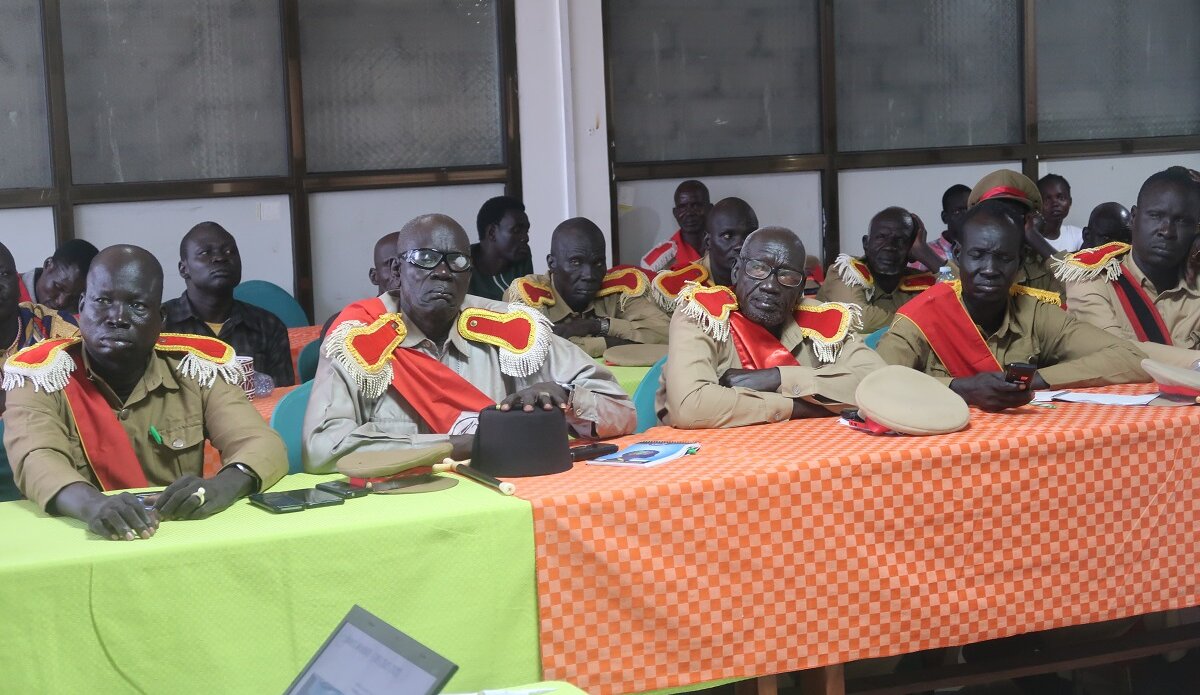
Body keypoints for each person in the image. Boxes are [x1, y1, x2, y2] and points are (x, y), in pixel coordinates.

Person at [303, 214, 636, 473]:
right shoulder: (360, 337)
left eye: (457, 261)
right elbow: (322, 448)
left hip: (508, 500)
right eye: (425, 258)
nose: (443, 272)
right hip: (401, 508)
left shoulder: (511, 328)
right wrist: (461, 444)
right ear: (396, 269)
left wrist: (565, 395)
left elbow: (622, 412)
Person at [2, 245, 286, 540]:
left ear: (161, 318)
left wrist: (222, 486)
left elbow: (262, 443)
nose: (117, 317)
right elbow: (36, 459)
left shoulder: (196, 369)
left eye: (137, 306)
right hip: (78, 539)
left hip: (174, 537)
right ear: (82, 305)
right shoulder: (40, 375)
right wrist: (94, 505)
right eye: (102, 301)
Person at [876, 200, 1149, 412]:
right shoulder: (923, 315)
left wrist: (1031, 381)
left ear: (1019, 264)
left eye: (1003, 258)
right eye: (978, 255)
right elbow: (876, 386)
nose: (990, 270)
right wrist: (960, 389)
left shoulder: (1034, 311)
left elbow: (1131, 357)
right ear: (958, 256)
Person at [658, 226, 885, 429]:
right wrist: (803, 408)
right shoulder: (703, 313)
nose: (769, 285)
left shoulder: (821, 318)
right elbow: (690, 406)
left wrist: (777, 378)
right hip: (717, 462)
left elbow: (880, 385)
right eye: (758, 268)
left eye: (787, 275)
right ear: (736, 271)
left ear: (800, 289)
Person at [1058, 167, 1200, 363]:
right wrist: (1195, 363)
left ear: (1196, 229)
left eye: (1182, 221)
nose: (1167, 231)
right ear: (1133, 218)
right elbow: (1115, 353)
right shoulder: (1092, 277)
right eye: (1156, 216)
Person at [503, 217, 668, 358]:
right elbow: (535, 349)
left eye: (598, 262)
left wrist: (596, 326)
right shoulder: (528, 293)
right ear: (552, 263)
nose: (589, 275)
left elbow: (667, 334)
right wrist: (610, 343)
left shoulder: (618, 292)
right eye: (576, 262)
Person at [162, 222, 295, 386]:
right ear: (184, 269)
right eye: (205, 252)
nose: (220, 258)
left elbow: (282, 401)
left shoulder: (268, 326)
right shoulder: (160, 324)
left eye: (229, 251)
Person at [818, 207, 935, 333]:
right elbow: (860, 319)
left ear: (912, 250)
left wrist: (927, 253)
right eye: (881, 237)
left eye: (901, 240)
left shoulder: (922, 283)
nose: (890, 247)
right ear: (866, 244)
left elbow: (957, 307)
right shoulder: (844, 271)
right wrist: (921, 324)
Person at [967, 169, 1066, 298]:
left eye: (1013, 217)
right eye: (996, 217)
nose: (1004, 226)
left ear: (1027, 220)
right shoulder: (967, 262)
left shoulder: (1041, 267)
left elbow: (1081, 287)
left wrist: (1034, 237)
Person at [648, 197, 757, 311]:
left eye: (749, 236)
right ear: (708, 242)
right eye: (728, 236)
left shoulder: (768, 281)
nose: (740, 245)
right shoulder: (681, 286)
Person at [0, 241, 79, 367]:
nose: (61, 302)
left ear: (17, 281)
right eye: (58, 286)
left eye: (3, 274)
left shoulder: (55, 327)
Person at [468, 196, 533, 301]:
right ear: (492, 232)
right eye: (516, 230)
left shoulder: (522, 257)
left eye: (526, 231)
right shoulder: (462, 263)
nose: (526, 238)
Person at [640, 180, 712, 272]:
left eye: (696, 205)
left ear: (710, 209)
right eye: (682, 207)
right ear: (675, 213)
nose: (689, 213)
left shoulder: (726, 247)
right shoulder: (660, 260)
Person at [18, 238, 99, 312]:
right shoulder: (11, 296)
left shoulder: (83, 313)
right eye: (59, 287)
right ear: (48, 264)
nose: (61, 302)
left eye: (74, 298)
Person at [909, 184, 970, 271]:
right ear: (944, 217)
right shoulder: (923, 253)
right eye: (957, 212)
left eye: (970, 209)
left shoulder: (985, 249)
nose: (966, 216)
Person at [1037, 174, 1084, 252]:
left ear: (1070, 202)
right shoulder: (1030, 237)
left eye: (1061, 198)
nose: (1055, 203)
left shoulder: (1076, 235)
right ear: (1038, 203)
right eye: (1047, 199)